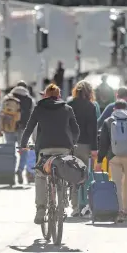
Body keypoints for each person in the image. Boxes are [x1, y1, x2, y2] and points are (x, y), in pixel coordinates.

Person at [19, 84, 80, 224]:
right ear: (59, 95)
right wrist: (72, 142)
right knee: (64, 170)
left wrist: (23, 145)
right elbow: (76, 130)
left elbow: (29, 128)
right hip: (64, 148)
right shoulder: (67, 109)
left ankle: (41, 209)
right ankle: (63, 199)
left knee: (40, 175)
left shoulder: (39, 108)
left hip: (44, 149)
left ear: (45, 95)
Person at [97, 99, 127, 221]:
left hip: (114, 156)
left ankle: (119, 210)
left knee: (116, 183)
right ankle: (126, 211)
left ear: (114, 109)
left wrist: (100, 159)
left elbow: (103, 143)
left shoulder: (108, 121)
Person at [67, 80, 98, 217]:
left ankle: (75, 208)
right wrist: (94, 148)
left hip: (71, 145)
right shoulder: (91, 107)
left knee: (73, 175)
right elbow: (93, 129)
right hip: (85, 145)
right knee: (85, 176)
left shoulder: (70, 105)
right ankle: (84, 205)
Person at [0, 80, 35, 184]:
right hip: (23, 130)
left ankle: (10, 174)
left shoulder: (8, 98)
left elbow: (1, 115)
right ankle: (20, 170)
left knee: (10, 152)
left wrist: (0, 130)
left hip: (9, 129)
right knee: (24, 151)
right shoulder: (29, 100)